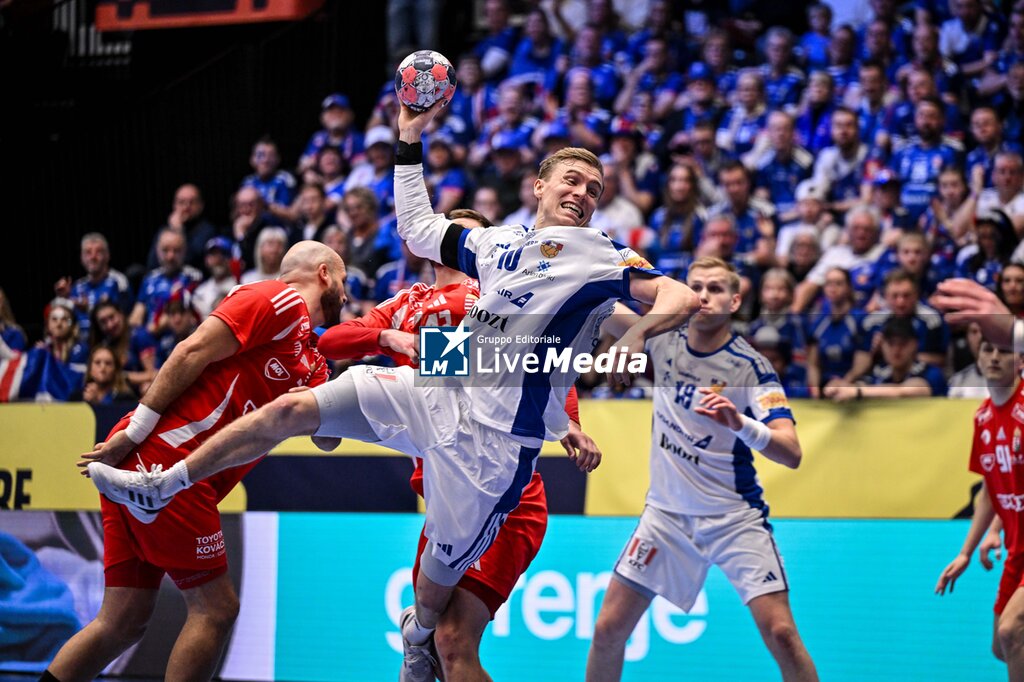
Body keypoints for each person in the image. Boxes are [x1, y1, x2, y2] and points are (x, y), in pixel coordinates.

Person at [86, 102, 700, 682]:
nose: (583, 194)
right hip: (439, 392)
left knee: (434, 603)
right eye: (572, 180)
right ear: (538, 187)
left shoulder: (600, 257)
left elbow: (668, 301)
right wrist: (409, 135)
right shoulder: (492, 249)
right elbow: (412, 235)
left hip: (489, 453)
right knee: (294, 409)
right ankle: (165, 483)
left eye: (594, 189)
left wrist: (632, 339)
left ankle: (416, 632)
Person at [320, 207, 599, 680]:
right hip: (444, 493)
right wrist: (389, 336)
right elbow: (333, 341)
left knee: (452, 641)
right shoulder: (408, 301)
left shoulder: (500, 295)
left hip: (503, 494)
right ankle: (416, 638)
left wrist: (568, 420)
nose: (461, 244)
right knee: (437, 639)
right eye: (452, 234)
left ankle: (417, 638)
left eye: (471, 238)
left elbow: (545, 361)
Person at [48, 242, 345, 682]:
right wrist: (134, 432)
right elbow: (192, 350)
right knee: (216, 609)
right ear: (323, 273)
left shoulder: (314, 359)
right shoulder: (276, 298)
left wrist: (334, 390)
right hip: (166, 464)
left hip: (166, 469)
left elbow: (328, 439)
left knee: (122, 620)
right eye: (343, 279)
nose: (346, 292)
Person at [586, 257, 818, 682]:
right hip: (666, 518)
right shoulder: (662, 338)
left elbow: (791, 452)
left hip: (733, 519)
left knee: (782, 633)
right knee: (607, 630)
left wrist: (740, 423)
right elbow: (602, 304)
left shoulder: (751, 367)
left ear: (735, 301)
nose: (704, 296)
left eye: (715, 288)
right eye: (696, 287)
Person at [936, 336, 1024, 679]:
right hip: (1016, 548)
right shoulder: (983, 418)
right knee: (1001, 646)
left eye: (1005, 351)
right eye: (988, 350)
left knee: (1012, 630)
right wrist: (968, 551)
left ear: (1020, 361)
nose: (995, 357)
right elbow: (991, 489)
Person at [54, 233, 133, 341]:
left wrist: (88, 309)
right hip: (79, 342)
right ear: (81, 258)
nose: (93, 257)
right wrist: (63, 298)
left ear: (107, 256)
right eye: (88, 252)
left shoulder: (118, 282)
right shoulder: (77, 286)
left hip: (109, 341)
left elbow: (123, 320)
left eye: (98, 252)